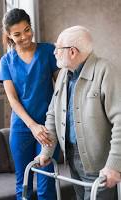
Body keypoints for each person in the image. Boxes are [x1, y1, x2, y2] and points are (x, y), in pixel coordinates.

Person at [36, 25, 121, 200]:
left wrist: (114, 165)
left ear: (73, 52)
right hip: (72, 157)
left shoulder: (105, 71)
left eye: (58, 48)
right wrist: (46, 151)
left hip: (100, 163)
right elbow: (52, 115)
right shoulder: (63, 75)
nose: (55, 53)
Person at [0, 8, 60, 200]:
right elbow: (13, 100)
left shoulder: (48, 51)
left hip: (48, 127)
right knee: (22, 182)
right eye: (17, 34)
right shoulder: (6, 61)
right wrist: (32, 126)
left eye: (27, 30)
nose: (25, 36)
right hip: (21, 128)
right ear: (8, 35)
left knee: (46, 182)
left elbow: (61, 89)